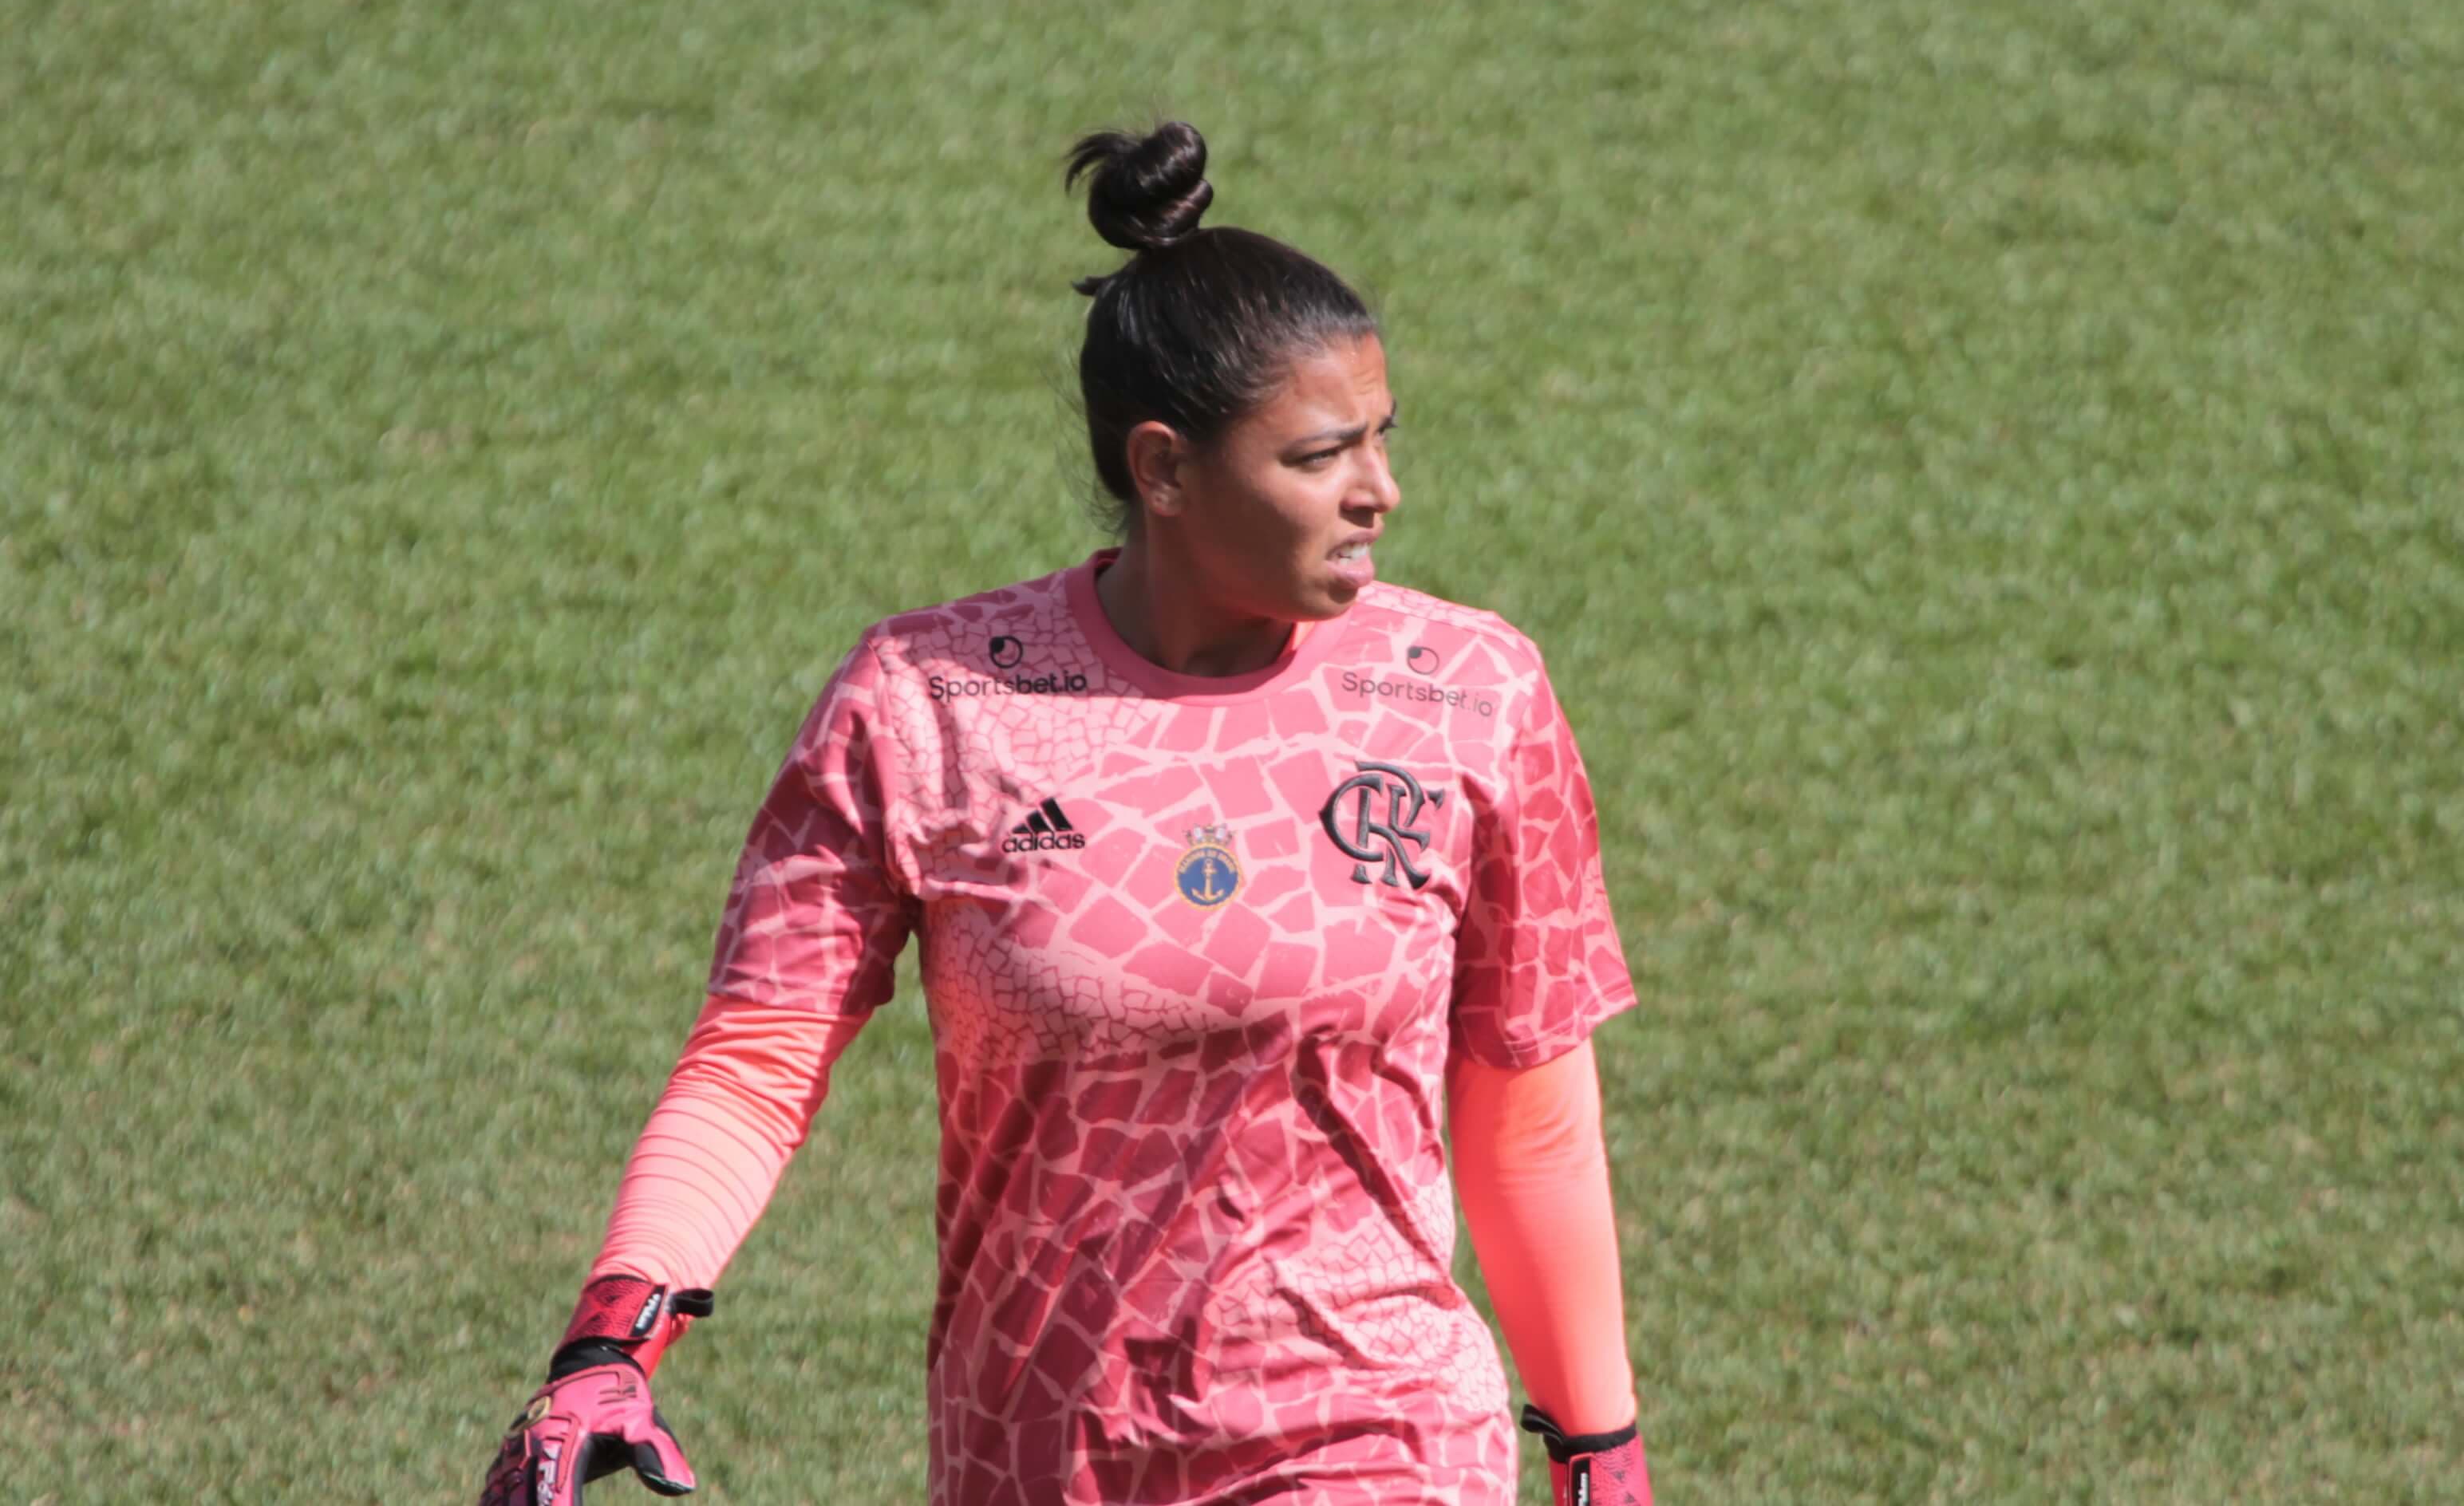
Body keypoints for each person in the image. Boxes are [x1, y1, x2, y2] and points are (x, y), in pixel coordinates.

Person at [478, 120, 1653, 1506]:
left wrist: (1598, 1453)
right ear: (1162, 470)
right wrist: (611, 1342)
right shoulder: (929, 706)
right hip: (1042, 1447)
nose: (1379, 492)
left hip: (1379, 1430)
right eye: (1322, 456)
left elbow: (1533, 1119)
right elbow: (756, 1061)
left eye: (1383, 440)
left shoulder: (1469, 694)